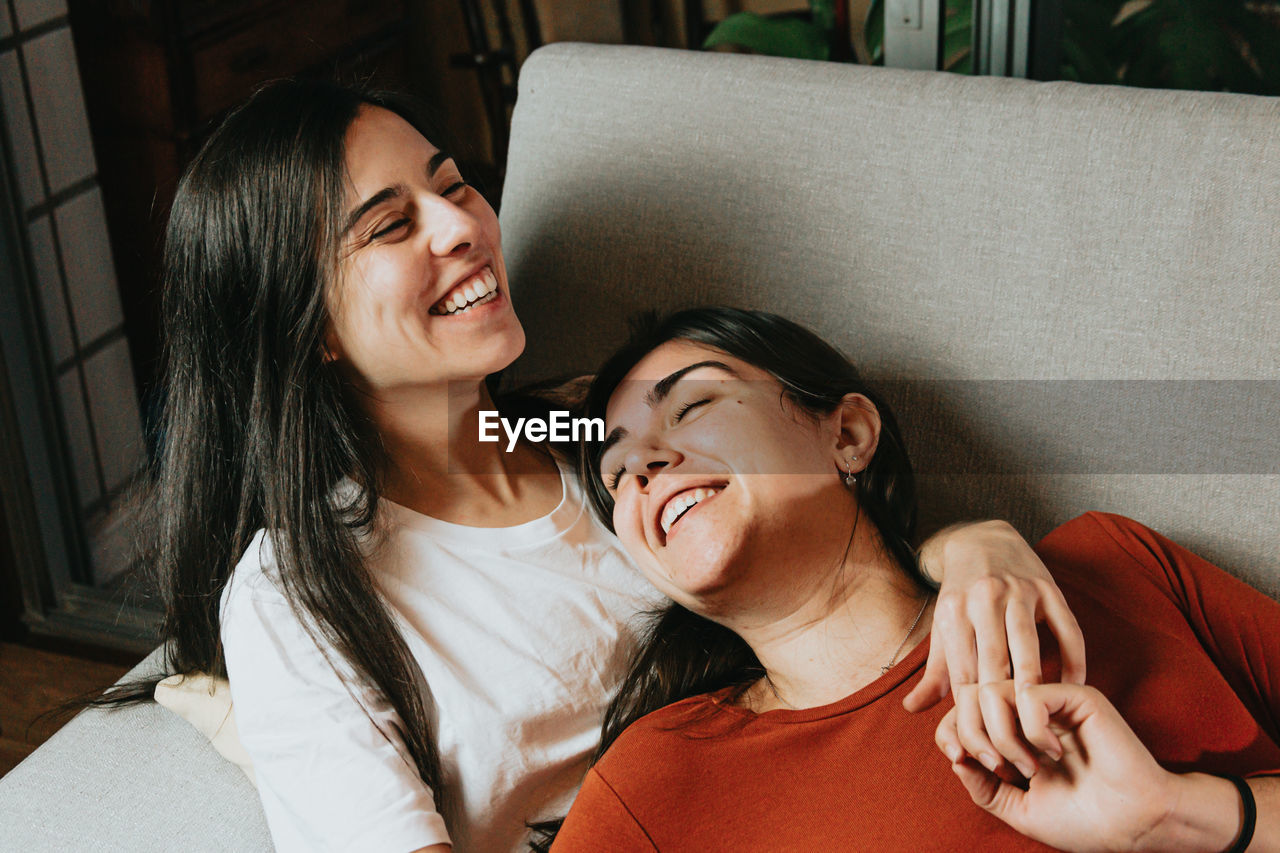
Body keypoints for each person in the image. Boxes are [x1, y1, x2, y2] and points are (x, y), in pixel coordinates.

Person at [116, 80, 1089, 853]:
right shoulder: (299, 592)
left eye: (452, 184)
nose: (463, 226)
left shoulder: (602, 434)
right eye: (388, 225)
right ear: (308, 327)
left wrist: (973, 546)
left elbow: (837, 535)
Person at [554, 306, 1280, 852]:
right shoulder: (656, 783)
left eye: (692, 405)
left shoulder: (1112, 566)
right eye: (617, 475)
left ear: (847, 434)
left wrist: (1180, 813)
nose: (643, 466)